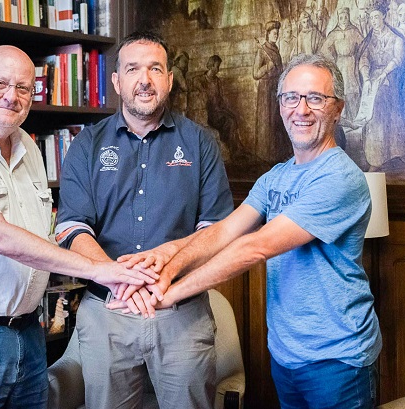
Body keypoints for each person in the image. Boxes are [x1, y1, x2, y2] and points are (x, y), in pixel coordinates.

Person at [0, 45, 158, 409]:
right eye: (0, 83)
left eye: (23, 88)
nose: (11, 96)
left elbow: (43, 234)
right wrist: (101, 270)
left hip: (28, 330)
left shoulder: (28, 144)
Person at [136, 53, 382, 409]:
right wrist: (164, 262)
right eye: (291, 97)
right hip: (286, 355)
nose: (302, 109)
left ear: (338, 108)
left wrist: (169, 294)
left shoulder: (341, 179)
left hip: (338, 360)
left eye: (315, 98)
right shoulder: (276, 177)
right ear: (280, 106)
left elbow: (255, 248)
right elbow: (223, 233)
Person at [55, 31, 233, 409]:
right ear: (117, 81)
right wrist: (120, 280)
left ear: (169, 80)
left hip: (180, 310)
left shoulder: (200, 143)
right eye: (133, 68)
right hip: (107, 312)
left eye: (155, 68)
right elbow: (72, 226)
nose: (145, 79)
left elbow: (217, 230)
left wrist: (162, 278)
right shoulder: (87, 144)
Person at [357, 0, 405, 170]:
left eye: (376, 17)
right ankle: (376, 157)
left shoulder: (394, 37)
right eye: (371, 18)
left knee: (390, 110)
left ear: (383, 17)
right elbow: (363, 59)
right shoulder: (369, 39)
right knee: (374, 112)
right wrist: (366, 77)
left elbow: (398, 59)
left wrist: (383, 74)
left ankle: (400, 150)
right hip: (373, 79)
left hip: (391, 79)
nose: (374, 21)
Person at [253, 21, 293, 165]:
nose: (276, 35)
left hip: (275, 88)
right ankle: (267, 155)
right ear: (268, 34)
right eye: (274, 33)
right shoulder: (261, 50)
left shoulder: (275, 49)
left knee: (277, 121)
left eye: (277, 33)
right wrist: (268, 66)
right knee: (268, 122)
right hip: (265, 91)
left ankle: (279, 153)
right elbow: (256, 74)